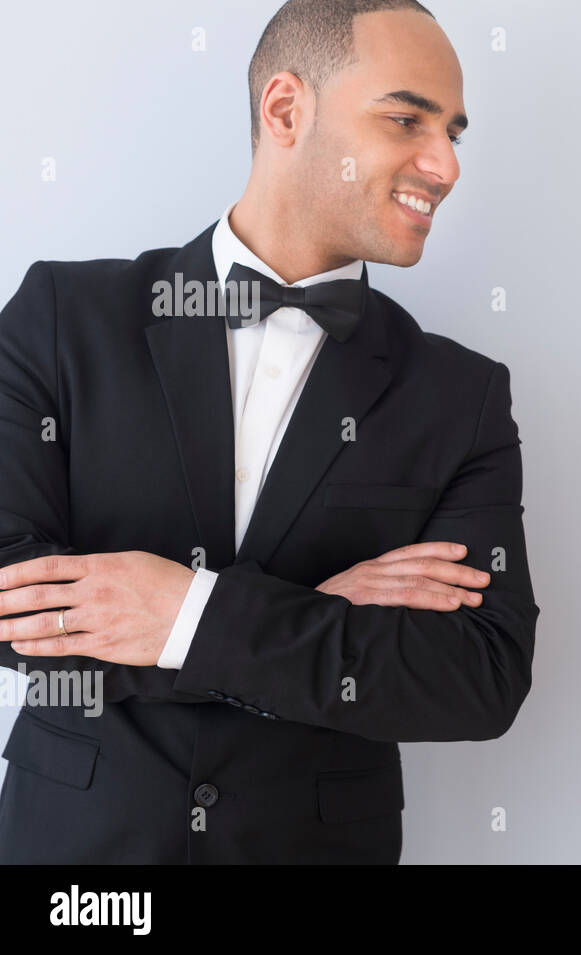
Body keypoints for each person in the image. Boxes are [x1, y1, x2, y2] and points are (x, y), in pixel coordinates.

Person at [0, 0, 539, 863]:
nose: (444, 164)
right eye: (407, 118)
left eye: (455, 133)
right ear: (285, 110)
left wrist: (185, 612)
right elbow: (9, 601)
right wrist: (318, 613)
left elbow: (480, 676)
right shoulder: (63, 318)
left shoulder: (461, 393)